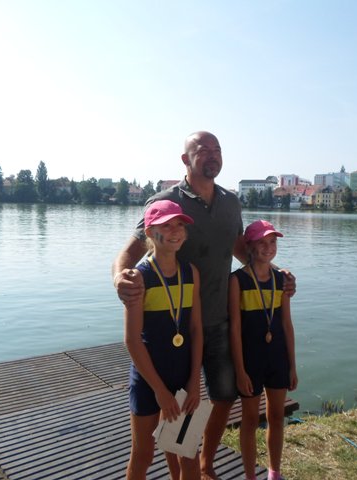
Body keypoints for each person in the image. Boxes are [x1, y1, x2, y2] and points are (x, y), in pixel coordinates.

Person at [113, 131, 295, 480]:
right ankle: (181, 465)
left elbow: (241, 249)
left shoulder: (230, 202)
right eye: (203, 150)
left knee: (224, 395)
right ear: (186, 159)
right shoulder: (164, 201)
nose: (212, 155)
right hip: (174, 327)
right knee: (167, 418)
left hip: (219, 319)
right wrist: (120, 278)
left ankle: (205, 463)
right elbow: (130, 252)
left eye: (217, 149)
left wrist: (275, 274)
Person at [124, 199, 203, 480]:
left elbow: (196, 330)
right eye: (166, 226)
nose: (175, 231)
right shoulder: (139, 277)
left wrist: (194, 382)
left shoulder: (191, 272)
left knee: (188, 455)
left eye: (180, 225)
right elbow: (132, 340)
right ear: (149, 232)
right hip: (148, 382)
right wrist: (159, 390)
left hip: (182, 378)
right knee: (143, 454)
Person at [229, 220, 297, 480]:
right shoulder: (237, 280)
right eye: (262, 243)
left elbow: (287, 324)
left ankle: (274, 472)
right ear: (249, 246)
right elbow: (235, 329)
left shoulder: (281, 280)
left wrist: (292, 365)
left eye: (272, 242)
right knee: (249, 420)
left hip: (277, 359)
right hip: (251, 361)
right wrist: (239, 371)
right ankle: (250, 476)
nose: (268, 247)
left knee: (276, 417)